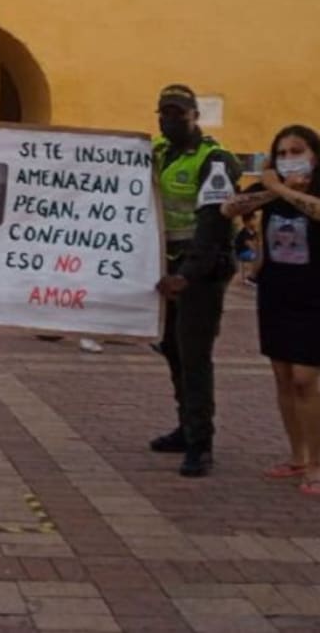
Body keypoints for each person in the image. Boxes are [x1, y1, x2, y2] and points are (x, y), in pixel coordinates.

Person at [149, 84, 242, 477]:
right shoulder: (156, 151)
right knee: (171, 347)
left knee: (194, 355)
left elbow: (212, 225)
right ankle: (185, 426)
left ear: (194, 116)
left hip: (200, 273)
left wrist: (187, 276)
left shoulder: (214, 159)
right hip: (165, 266)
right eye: (164, 113)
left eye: (178, 113)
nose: (170, 120)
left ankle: (200, 443)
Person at [222, 125, 320, 494]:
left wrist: (281, 189)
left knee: (304, 379)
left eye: (297, 150)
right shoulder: (271, 194)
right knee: (282, 376)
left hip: (313, 297)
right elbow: (228, 207)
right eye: (282, 152)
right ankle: (297, 456)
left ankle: (316, 463)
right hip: (277, 293)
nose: (289, 158)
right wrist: (270, 189)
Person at [235, 213, 260, 285]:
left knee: (259, 256)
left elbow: (258, 244)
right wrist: (259, 253)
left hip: (250, 252)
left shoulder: (255, 232)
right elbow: (250, 245)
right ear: (246, 222)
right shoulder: (243, 233)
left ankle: (257, 276)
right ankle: (252, 278)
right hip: (242, 253)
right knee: (256, 256)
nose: (256, 221)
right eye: (253, 219)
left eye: (255, 219)